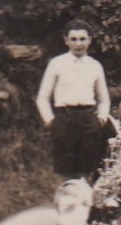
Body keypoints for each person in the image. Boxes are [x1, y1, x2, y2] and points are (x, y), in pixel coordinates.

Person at [36, 19, 112, 180]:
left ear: (90, 39)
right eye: (74, 39)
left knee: (87, 169)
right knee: (65, 170)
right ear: (66, 40)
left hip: (88, 120)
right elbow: (42, 97)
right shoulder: (57, 63)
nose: (78, 44)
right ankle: (66, 202)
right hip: (64, 119)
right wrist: (50, 121)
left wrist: (101, 120)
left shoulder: (95, 65)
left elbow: (104, 98)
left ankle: (85, 201)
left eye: (82, 39)